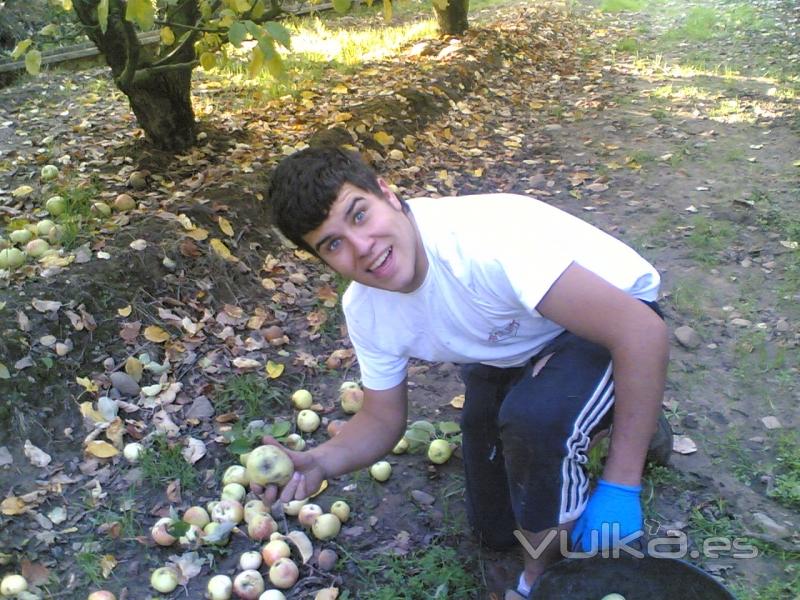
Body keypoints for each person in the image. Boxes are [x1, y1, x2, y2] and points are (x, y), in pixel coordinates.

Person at [262, 146, 670, 599]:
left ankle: (540, 581)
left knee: (537, 425)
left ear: (387, 193)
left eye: (359, 215)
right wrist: (320, 461)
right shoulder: (366, 308)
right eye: (333, 244)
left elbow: (641, 333)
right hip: (513, 347)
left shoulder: (482, 244)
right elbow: (381, 418)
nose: (361, 248)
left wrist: (621, 484)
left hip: (611, 318)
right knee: (494, 527)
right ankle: (611, 415)